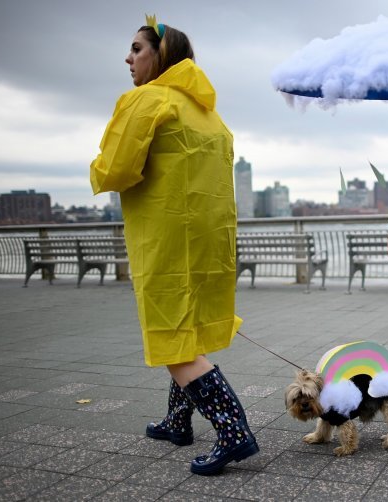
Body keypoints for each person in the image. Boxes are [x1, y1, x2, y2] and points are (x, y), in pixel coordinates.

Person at [90, 16, 257, 475]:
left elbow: (114, 170)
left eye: (137, 49)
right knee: (190, 329)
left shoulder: (147, 100)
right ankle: (178, 420)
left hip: (165, 241)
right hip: (209, 244)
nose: (129, 58)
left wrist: (95, 166)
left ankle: (233, 431)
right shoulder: (209, 114)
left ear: (160, 56)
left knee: (173, 341)